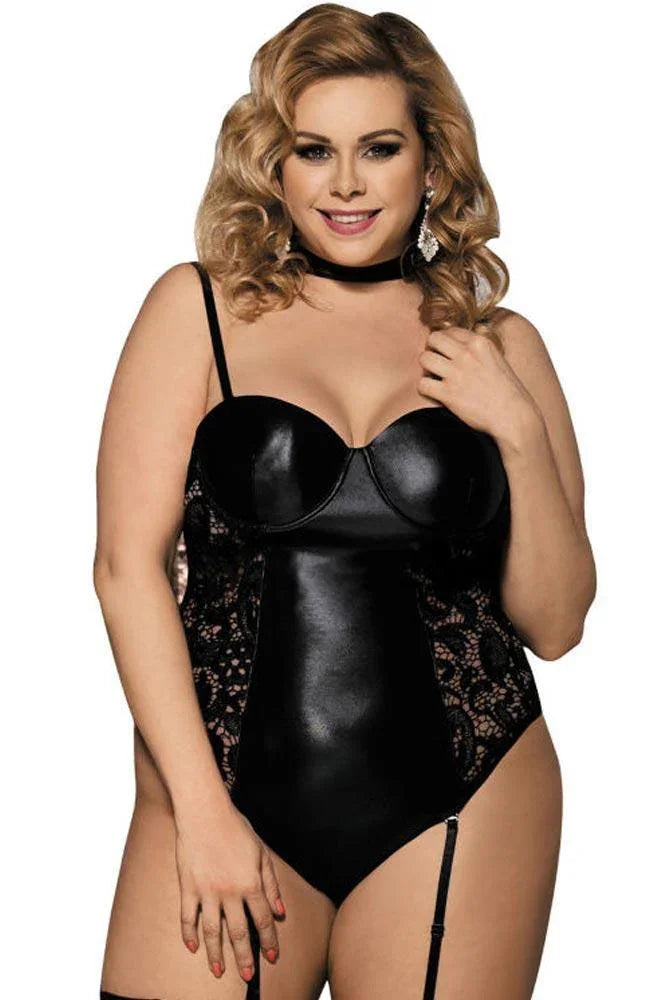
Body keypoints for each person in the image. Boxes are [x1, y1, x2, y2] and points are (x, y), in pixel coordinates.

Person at [94, 5, 596, 999]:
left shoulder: (502, 346)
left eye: (380, 148)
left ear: (431, 162)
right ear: (273, 166)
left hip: (466, 800)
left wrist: (517, 428)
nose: (347, 184)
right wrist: (200, 811)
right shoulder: (198, 310)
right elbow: (125, 571)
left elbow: (555, 622)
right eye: (314, 150)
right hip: (218, 787)